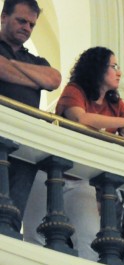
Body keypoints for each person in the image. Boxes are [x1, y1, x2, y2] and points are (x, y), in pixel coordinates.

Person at [23, 46, 124, 262]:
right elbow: (81, 119)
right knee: (35, 232)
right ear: (97, 68)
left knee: (90, 237)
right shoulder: (75, 90)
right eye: (114, 66)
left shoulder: (115, 104)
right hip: (48, 172)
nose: (119, 72)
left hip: (81, 179)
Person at [0, 0, 61, 232]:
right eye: (21, 21)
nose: (27, 28)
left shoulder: (36, 60)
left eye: (32, 25)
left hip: (25, 144)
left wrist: (12, 65)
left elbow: (53, 79)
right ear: (3, 17)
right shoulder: (35, 66)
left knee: (13, 215)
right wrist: (34, 79)